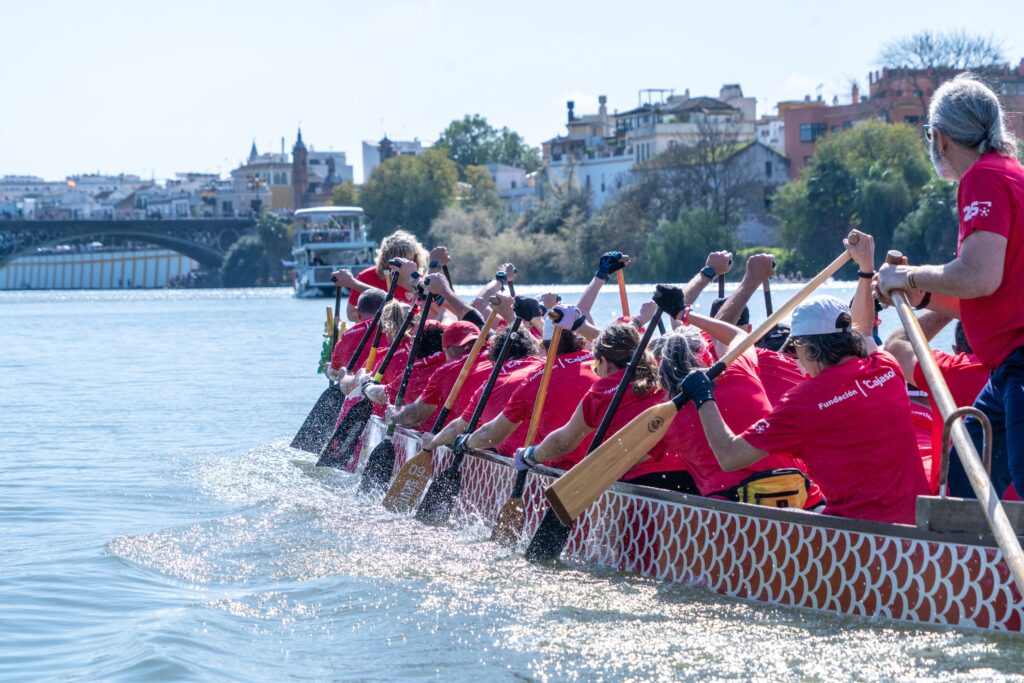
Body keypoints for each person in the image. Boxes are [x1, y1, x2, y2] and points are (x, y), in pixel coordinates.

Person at [679, 233, 930, 524]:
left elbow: (729, 456)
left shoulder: (803, 402)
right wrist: (865, 267)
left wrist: (703, 396)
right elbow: (862, 330)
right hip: (917, 527)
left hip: (855, 538)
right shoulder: (884, 367)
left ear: (808, 348)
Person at [877, 73, 1024, 499]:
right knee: (965, 482)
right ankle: (972, 564)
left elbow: (978, 276)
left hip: (1019, 361)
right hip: (1006, 367)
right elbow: (994, 297)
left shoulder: (983, 178)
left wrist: (909, 276)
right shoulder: (1012, 172)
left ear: (939, 138)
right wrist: (922, 292)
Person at [654, 319, 820, 506]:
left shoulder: (664, 415)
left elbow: (639, 459)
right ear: (708, 356)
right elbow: (738, 336)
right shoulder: (740, 371)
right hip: (802, 498)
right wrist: (687, 314)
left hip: (729, 515)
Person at [513, 323, 691, 490]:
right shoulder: (666, 378)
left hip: (640, 484)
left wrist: (530, 455)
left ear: (605, 362)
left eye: (595, 365)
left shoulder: (601, 394)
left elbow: (563, 442)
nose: (595, 371)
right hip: (690, 478)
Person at [465, 303, 599, 467]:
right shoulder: (604, 363)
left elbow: (493, 433)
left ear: (542, 347)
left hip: (563, 473)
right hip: (610, 466)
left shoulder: (534, 381)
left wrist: (465, 443)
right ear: (583, 341)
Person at [885, 313, 988, 493]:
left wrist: (950, 307)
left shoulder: (953, 371)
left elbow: (895, 347)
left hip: (955, 505)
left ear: (957, 351)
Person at [423, 321, 544, 455]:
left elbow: (458, 428)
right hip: (549, 454)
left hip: (518, 460)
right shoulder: (545, 366)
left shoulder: (490, 385)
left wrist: (433, 442)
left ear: (493, 356)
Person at [386, 320, 488, 430]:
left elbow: (417, 414)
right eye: (463, 346)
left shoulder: (444, 371)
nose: (468, 349)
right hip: (481, 433)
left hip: (465, 435)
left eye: (472, 344)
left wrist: (395, 416)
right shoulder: (495, 355)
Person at [365, 321, 447, 431]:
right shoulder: (450, 363)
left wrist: (365, 384)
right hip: (441, 433)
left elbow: (383, 394)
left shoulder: (415, 371)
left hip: (425, 437)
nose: (410, 343)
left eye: (412, 340)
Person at [336, 231, 428, 322]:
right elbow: (351, 314)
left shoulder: (420, 282)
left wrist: (353, 283)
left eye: (410, 260)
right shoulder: (365, 277)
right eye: (399, 260)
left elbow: (429, 313)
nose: (406, 264)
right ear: (387, 259)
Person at [327, 287, 388, 377]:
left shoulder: (348, 335)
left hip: (358, 385)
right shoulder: (399, 330)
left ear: (358, 314)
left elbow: (335, 369)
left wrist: (329, 370)